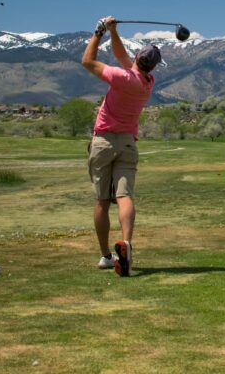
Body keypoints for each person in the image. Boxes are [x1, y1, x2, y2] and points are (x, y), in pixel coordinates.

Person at [82, 16, 161, 277]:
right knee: (124, 196)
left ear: (138, 56)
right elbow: (122, 57)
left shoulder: (120, 77)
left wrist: (99, 31)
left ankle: (106, 256)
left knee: (102, 200)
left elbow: (88, 62)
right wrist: (114, 31)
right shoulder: (147, 83)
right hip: (128, 142)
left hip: (104, 140)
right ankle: (126, 244)